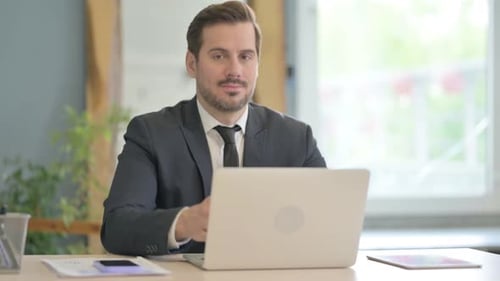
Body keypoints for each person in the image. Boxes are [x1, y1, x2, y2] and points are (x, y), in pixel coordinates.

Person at [100, 0, 326, 256]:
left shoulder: (297, 139)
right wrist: (184, 223)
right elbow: (117, 228)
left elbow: (329, 225)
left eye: (246, 56)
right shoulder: (152, 134)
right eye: (219, 56)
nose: (234, 70)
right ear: (192, 63)